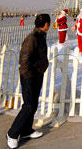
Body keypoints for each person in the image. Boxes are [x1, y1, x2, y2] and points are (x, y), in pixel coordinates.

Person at [6, 14, 50, 149]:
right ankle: (12, 134)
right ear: (45, 24)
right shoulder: (32, 38)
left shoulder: (41, 36)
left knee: (33, 104)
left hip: (37, 74)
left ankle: (26, 131)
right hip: (29, 76)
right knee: (29, 105)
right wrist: (28, 76)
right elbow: (24, 59)